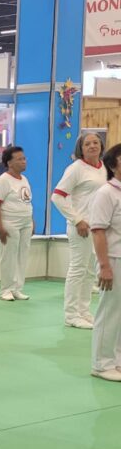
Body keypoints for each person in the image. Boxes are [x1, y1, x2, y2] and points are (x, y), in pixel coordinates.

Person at [52, 132, 107, 329]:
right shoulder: (76, 168)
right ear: (81, 149)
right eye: (87, 144)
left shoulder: (104, 168)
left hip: (99, 228)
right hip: (81, 228)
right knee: (78, 270)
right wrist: (77, 220)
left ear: (101, 146)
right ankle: (71, 315)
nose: (92, 146)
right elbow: (57, 197)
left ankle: (84, 311)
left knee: (90, 272)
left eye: (95, 142)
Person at [89, 143, 121, 381]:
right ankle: (101, 364)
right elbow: (98, 230)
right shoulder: (106, 193)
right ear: (113, 164)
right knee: (109, 312)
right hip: (113, 259)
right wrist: (105, 266)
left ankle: (116, 360)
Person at [0, 145, 34, 302]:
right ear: (9, 163)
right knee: (8, 257)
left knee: (23, 255)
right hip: (10, 223)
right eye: (19, 159)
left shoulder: (25, 179)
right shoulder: (2, 181)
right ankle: (6, 289)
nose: (24, 161)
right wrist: (0, 228)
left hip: (26, 223)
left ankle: (17, 288)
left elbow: (27, 202)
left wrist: (32, 220)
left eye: (24, 158)